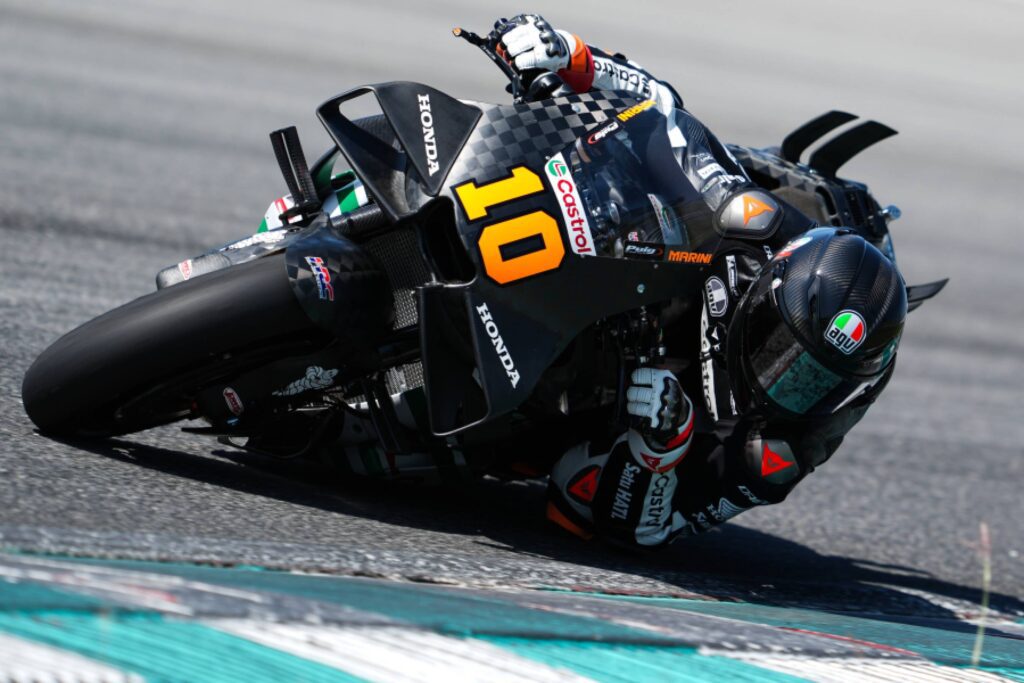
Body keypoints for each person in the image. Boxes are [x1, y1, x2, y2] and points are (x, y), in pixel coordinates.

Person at [338, 14, 909, 549]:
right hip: (610, 269)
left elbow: (646, 530)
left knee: (426, 455)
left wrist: (660, 448)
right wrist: (569, 56)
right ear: (771, 286)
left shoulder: (774, 453)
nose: (782, 378)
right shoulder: (758, 222)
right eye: (781, 349)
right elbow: (664, 113)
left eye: (810, 382)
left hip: (573, 417)